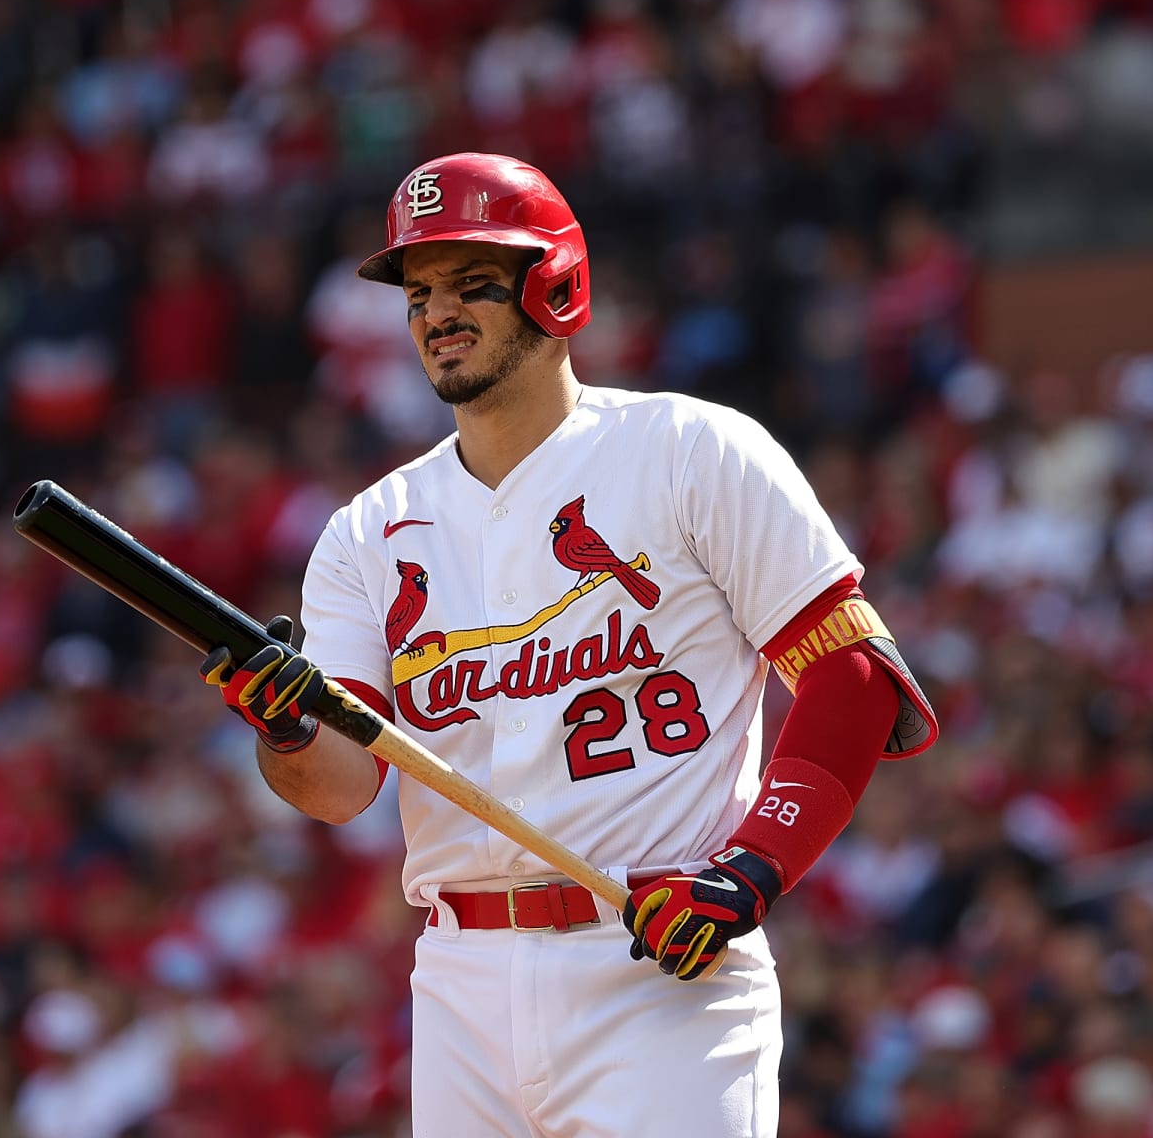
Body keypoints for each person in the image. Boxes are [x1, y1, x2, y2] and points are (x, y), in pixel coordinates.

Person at [198, 152, 939, 1136]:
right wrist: (285, 732)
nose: (436, 314)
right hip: (460, 979)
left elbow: (852, 681)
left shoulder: (689, 450)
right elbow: (339, 790)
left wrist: (752, 868)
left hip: (655, 963)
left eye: (471, 284)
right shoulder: (368, 531)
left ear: (555, 283)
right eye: (419, 292)